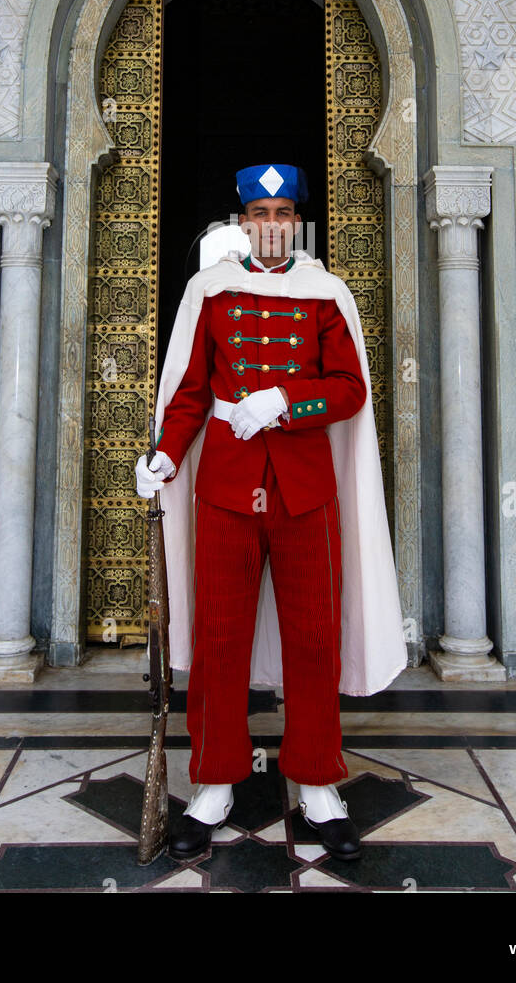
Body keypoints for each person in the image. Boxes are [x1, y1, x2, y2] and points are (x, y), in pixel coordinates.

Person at [135, 162, 407, 862]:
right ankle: (214, 783)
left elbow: (349, 390)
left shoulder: (325, 294)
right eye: (261, 214)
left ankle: (317, 782)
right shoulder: (211, 290)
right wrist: (166, 454)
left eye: (285, 212)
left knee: (314, 639)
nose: (273, 225)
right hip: (225, 487)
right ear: (242, 222)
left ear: (298, 221)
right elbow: (190, 390)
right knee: (221, 638)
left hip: (304, 490)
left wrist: (287, 403)